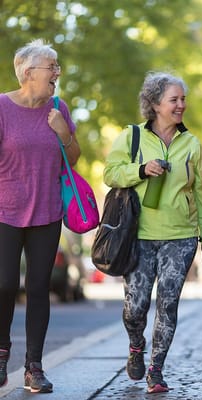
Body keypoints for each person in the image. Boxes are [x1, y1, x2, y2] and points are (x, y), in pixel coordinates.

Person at [103, 71, 202, 394]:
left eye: (183, 99)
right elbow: (110, 173)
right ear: (154, 104)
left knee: (168, 304)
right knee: (135, 306)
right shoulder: (132, 138)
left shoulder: (192, 144)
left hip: (180, 237)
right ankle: (136, 344)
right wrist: (141, 170)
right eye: (174, 100)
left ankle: (156, 369)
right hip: (138, 235)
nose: (181, 105)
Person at [0, 39, 80, 393]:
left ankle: (34, 366)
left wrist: (64, 133)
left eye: (57, 67)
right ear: (28, 72)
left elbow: (74, 158)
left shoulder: (59, 108)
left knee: (37, 288)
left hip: (47, 212)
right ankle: (2, 355)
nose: (57, 73)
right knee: (3, 284)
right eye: (52, 67)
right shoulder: (2, 107)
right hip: (5, 211)